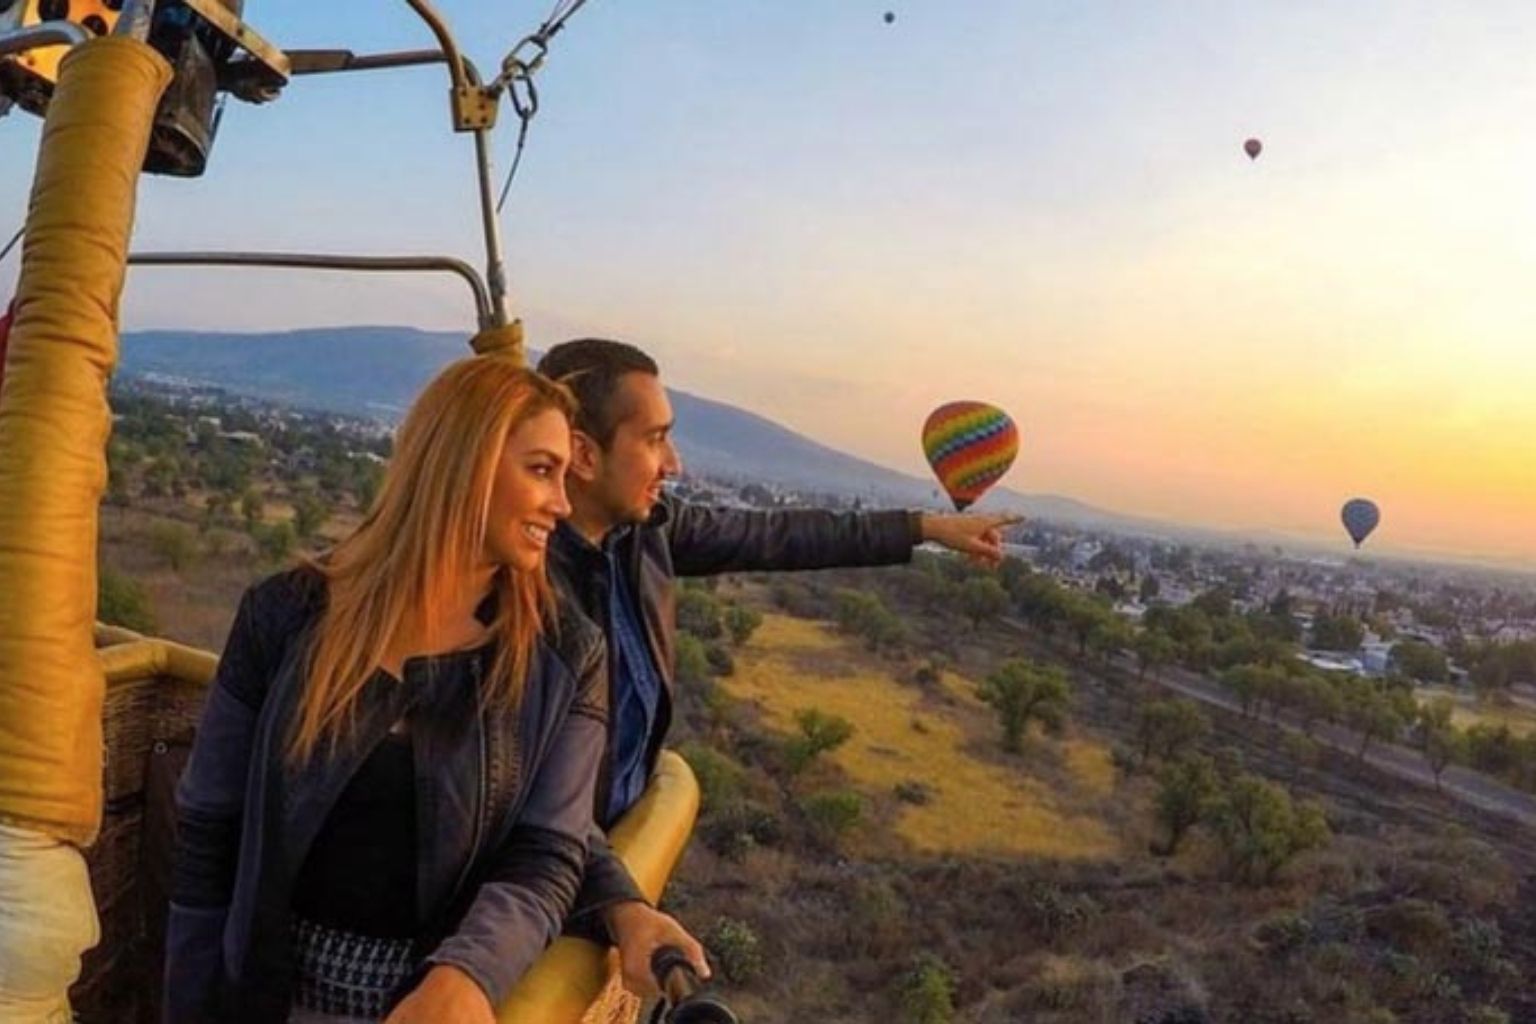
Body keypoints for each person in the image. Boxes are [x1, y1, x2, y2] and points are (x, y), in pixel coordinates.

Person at [538, 338, 1016, 993]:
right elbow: (538, 797)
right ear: (585, 454)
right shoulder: (523, 589)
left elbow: (778, 536)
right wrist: (620, 901)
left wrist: (922, 529)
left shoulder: (644, 536)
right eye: (654, 440)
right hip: (546, 882)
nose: (672, 464)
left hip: (607, 859)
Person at [164, 357, 610, 1024]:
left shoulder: (564, 658)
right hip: (262, 998)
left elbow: (549, 851)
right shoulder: (286, 615)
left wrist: (469, 973)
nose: (563, 503)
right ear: (464, 463)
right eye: (541, 470)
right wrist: (190, 1003)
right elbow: (208, 825)